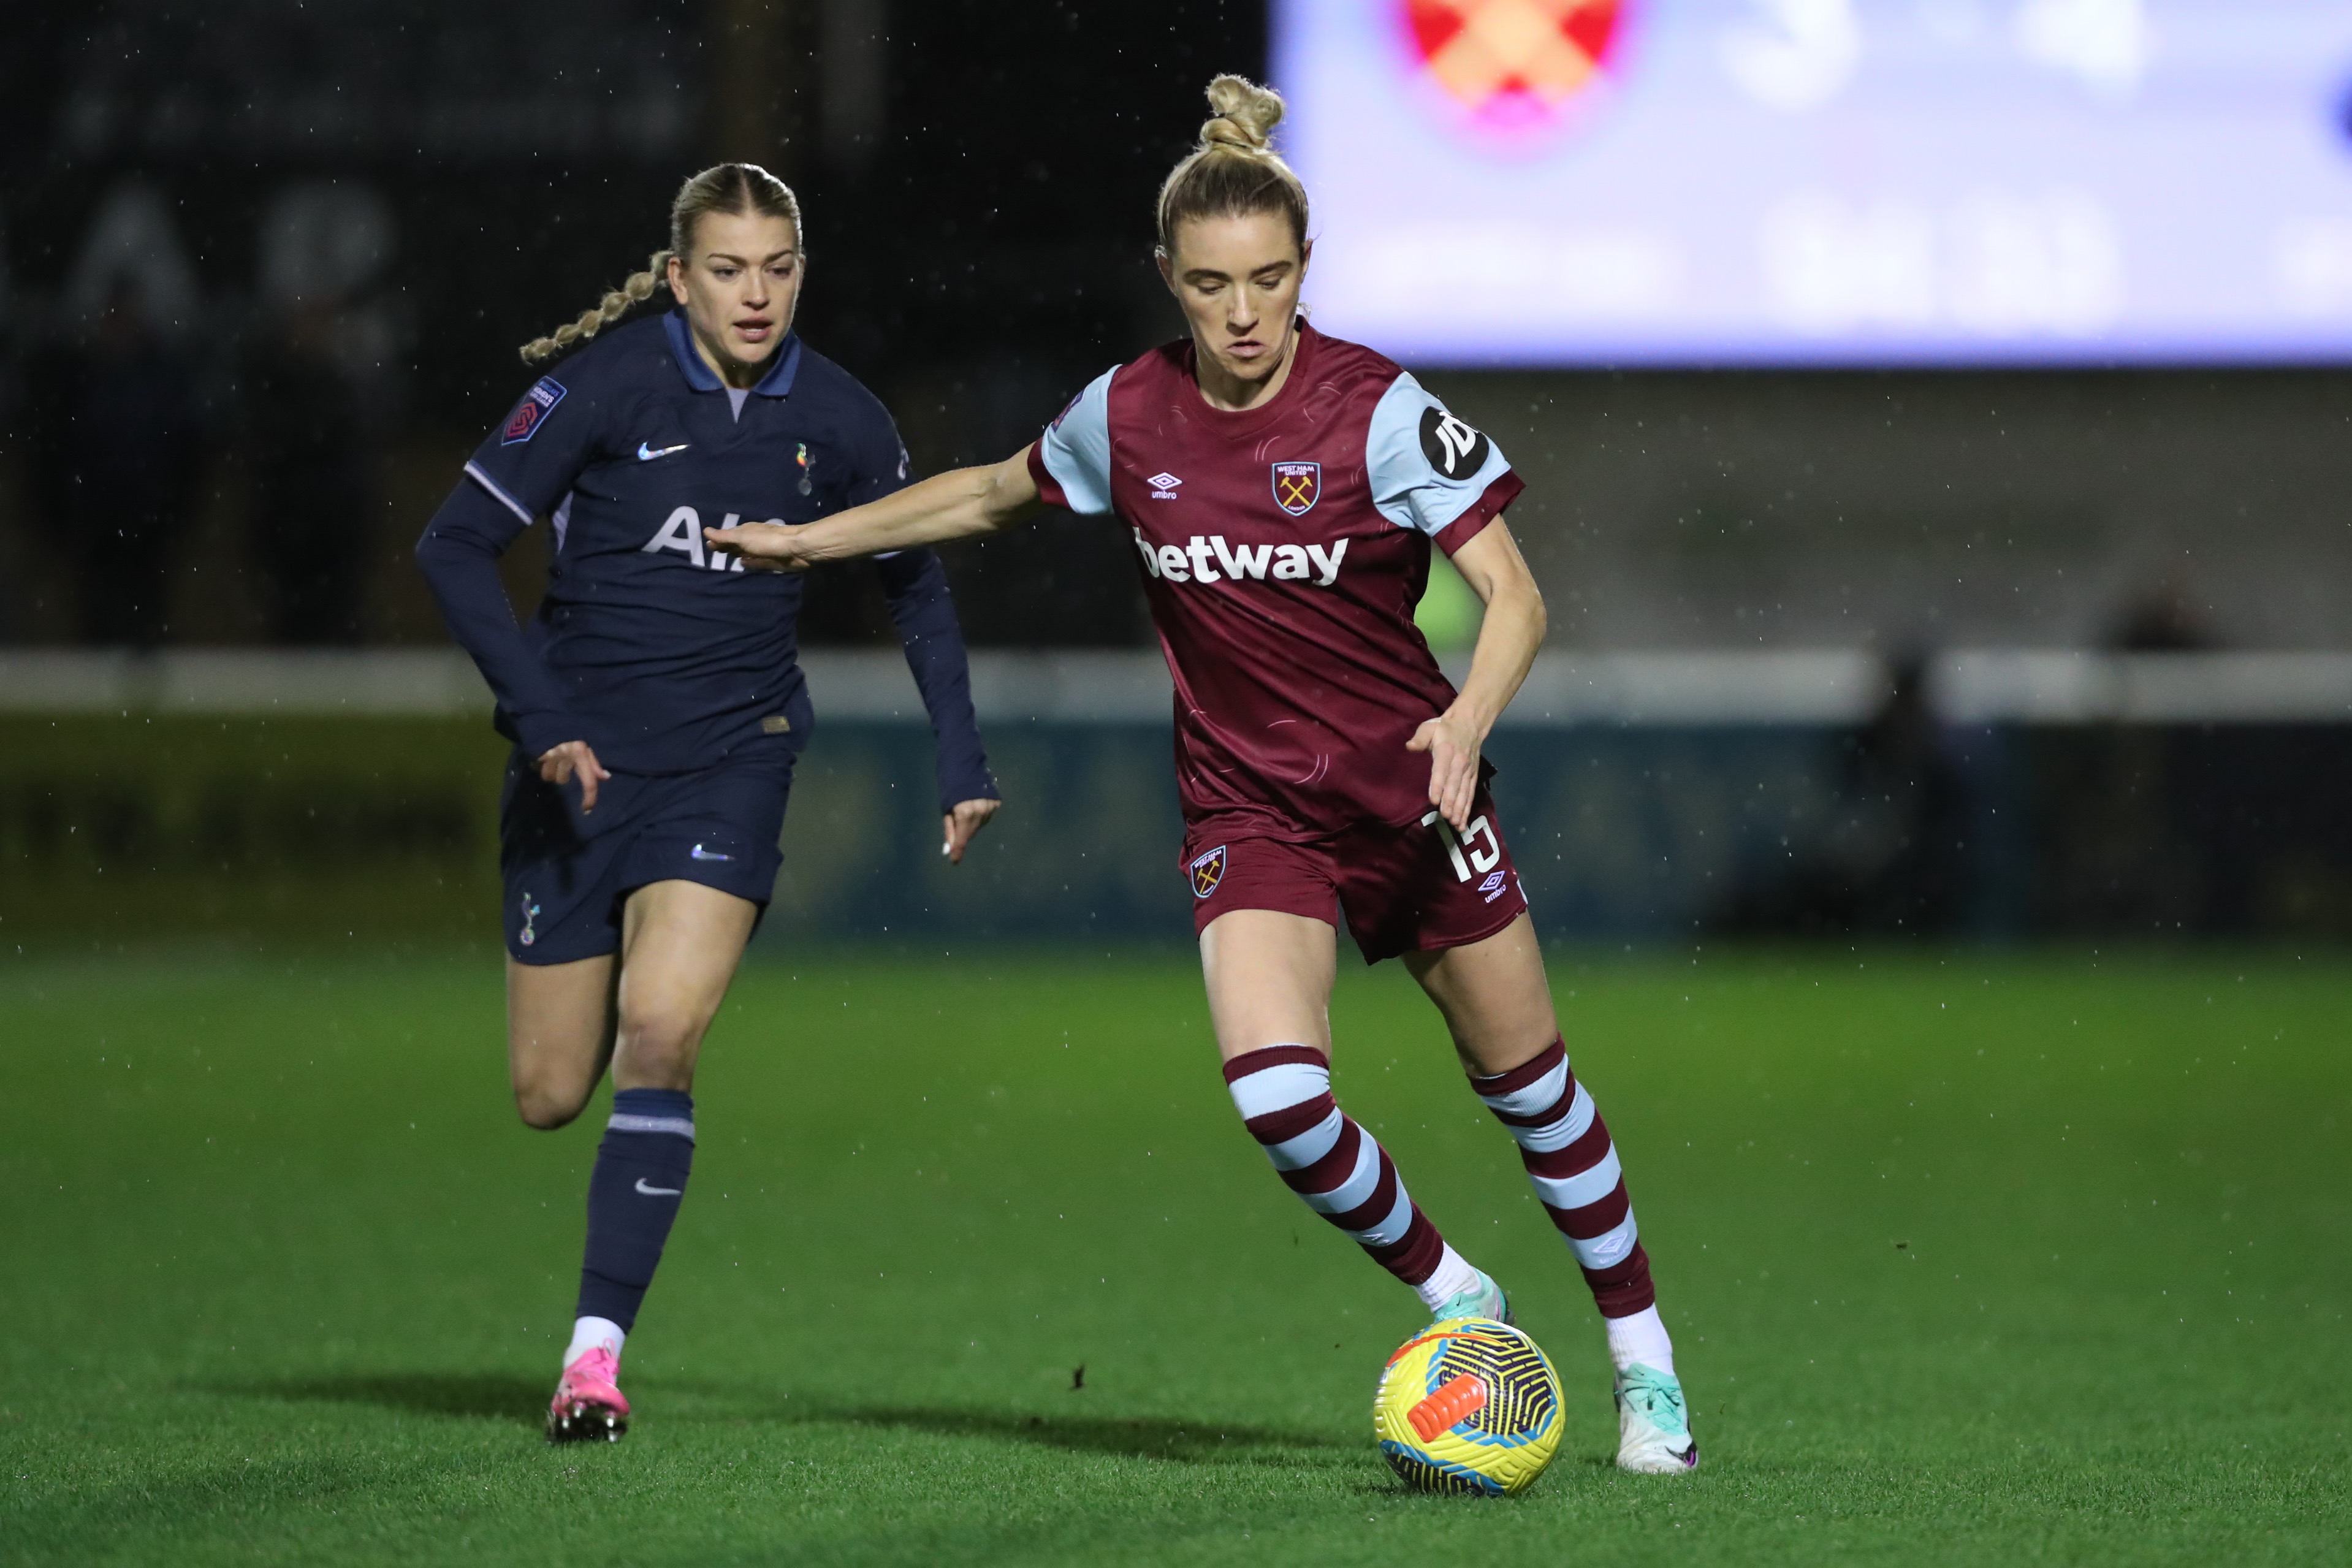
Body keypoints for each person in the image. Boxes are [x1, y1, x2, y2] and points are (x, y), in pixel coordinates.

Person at [709, 80, 1697, 1474]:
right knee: (1277, 1097)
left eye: (1270, 281)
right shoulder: (1129, 416)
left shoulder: (1378, 412)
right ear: (1168, 281)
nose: (1243, 315)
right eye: (1213, 285)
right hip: (1254, 811)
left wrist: (1468, 715)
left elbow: (1515, 598)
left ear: (1305, 275)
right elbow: (990, 491)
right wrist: (814, 542)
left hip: (1414, 798)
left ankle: (1643, 1365)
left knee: (1530, 1091)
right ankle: (1452, 1293)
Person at [413, 163, 1001, 1444]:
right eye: (727, 269)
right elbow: (450, 545)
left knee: (663, 1028)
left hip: (734, 756)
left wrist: (959, 755)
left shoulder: (837, 417)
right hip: (575, 770)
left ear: (801, 271)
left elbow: (915, 580)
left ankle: (592, 1360)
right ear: (677, 276)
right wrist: (541, 715)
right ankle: (593, 1307)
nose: (755, 293)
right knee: (548, 1091)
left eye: (778, 268)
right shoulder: (602, 388)